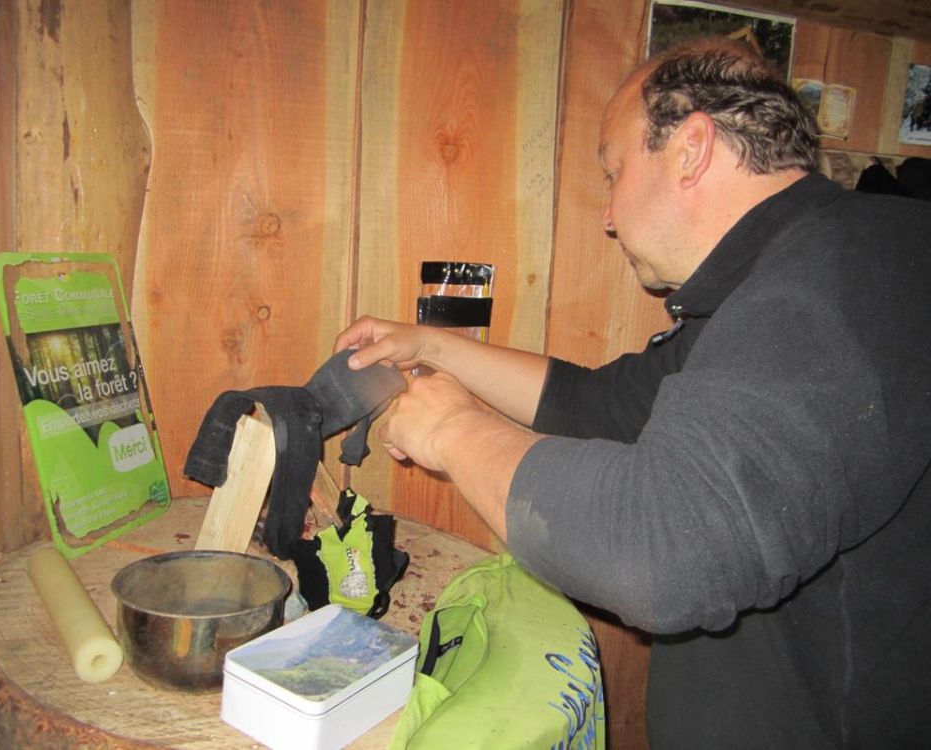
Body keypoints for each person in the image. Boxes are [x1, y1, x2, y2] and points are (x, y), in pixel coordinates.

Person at [334, 37, 931, 748]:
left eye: (614, 172)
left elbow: (662, 551)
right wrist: (430, 346)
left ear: (691, 150)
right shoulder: (785, 274)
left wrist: (450, 431)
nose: (609, 216)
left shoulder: (842, 277)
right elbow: (600, 406)